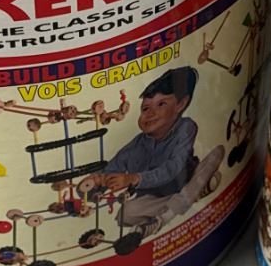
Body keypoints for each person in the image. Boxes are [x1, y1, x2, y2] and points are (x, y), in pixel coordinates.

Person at [86, 66, 221, 233]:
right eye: (145, 109)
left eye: (161, 104)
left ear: (181, 104)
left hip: (186, 180)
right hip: (158, 198)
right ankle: (193, 195)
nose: (150, 114)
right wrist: (95, 184)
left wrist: (134, 178)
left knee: (217, 153)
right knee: (125, 214)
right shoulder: (138, 143)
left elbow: (172, 168)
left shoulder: (185, 127)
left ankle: (164, 218)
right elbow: (114, 167)